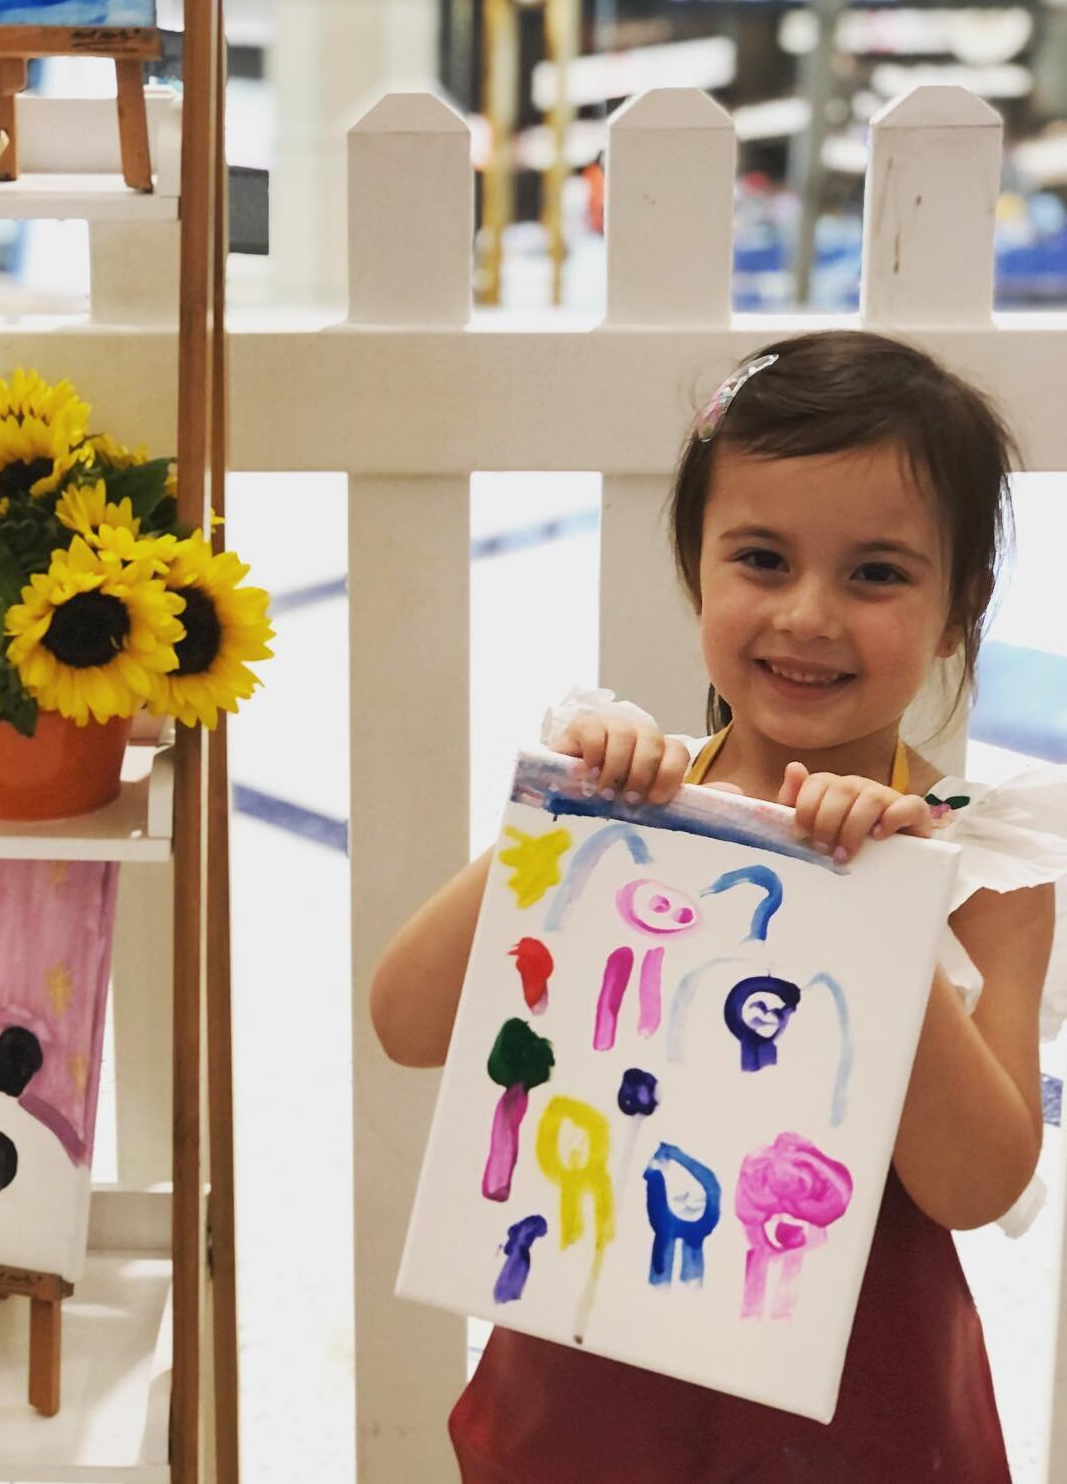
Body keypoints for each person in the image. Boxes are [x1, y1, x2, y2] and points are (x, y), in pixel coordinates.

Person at [370, 329, 1067, 1482]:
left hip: (860, 1419)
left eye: (876, 572)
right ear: (699, 568)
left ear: (959, 610)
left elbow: (976, 1182)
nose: (807, 614)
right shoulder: (635, 804)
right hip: (585, 1386)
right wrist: (563, 823)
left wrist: (877, 900)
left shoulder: (983, 865)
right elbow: (406, 1021)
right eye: (761, 558)